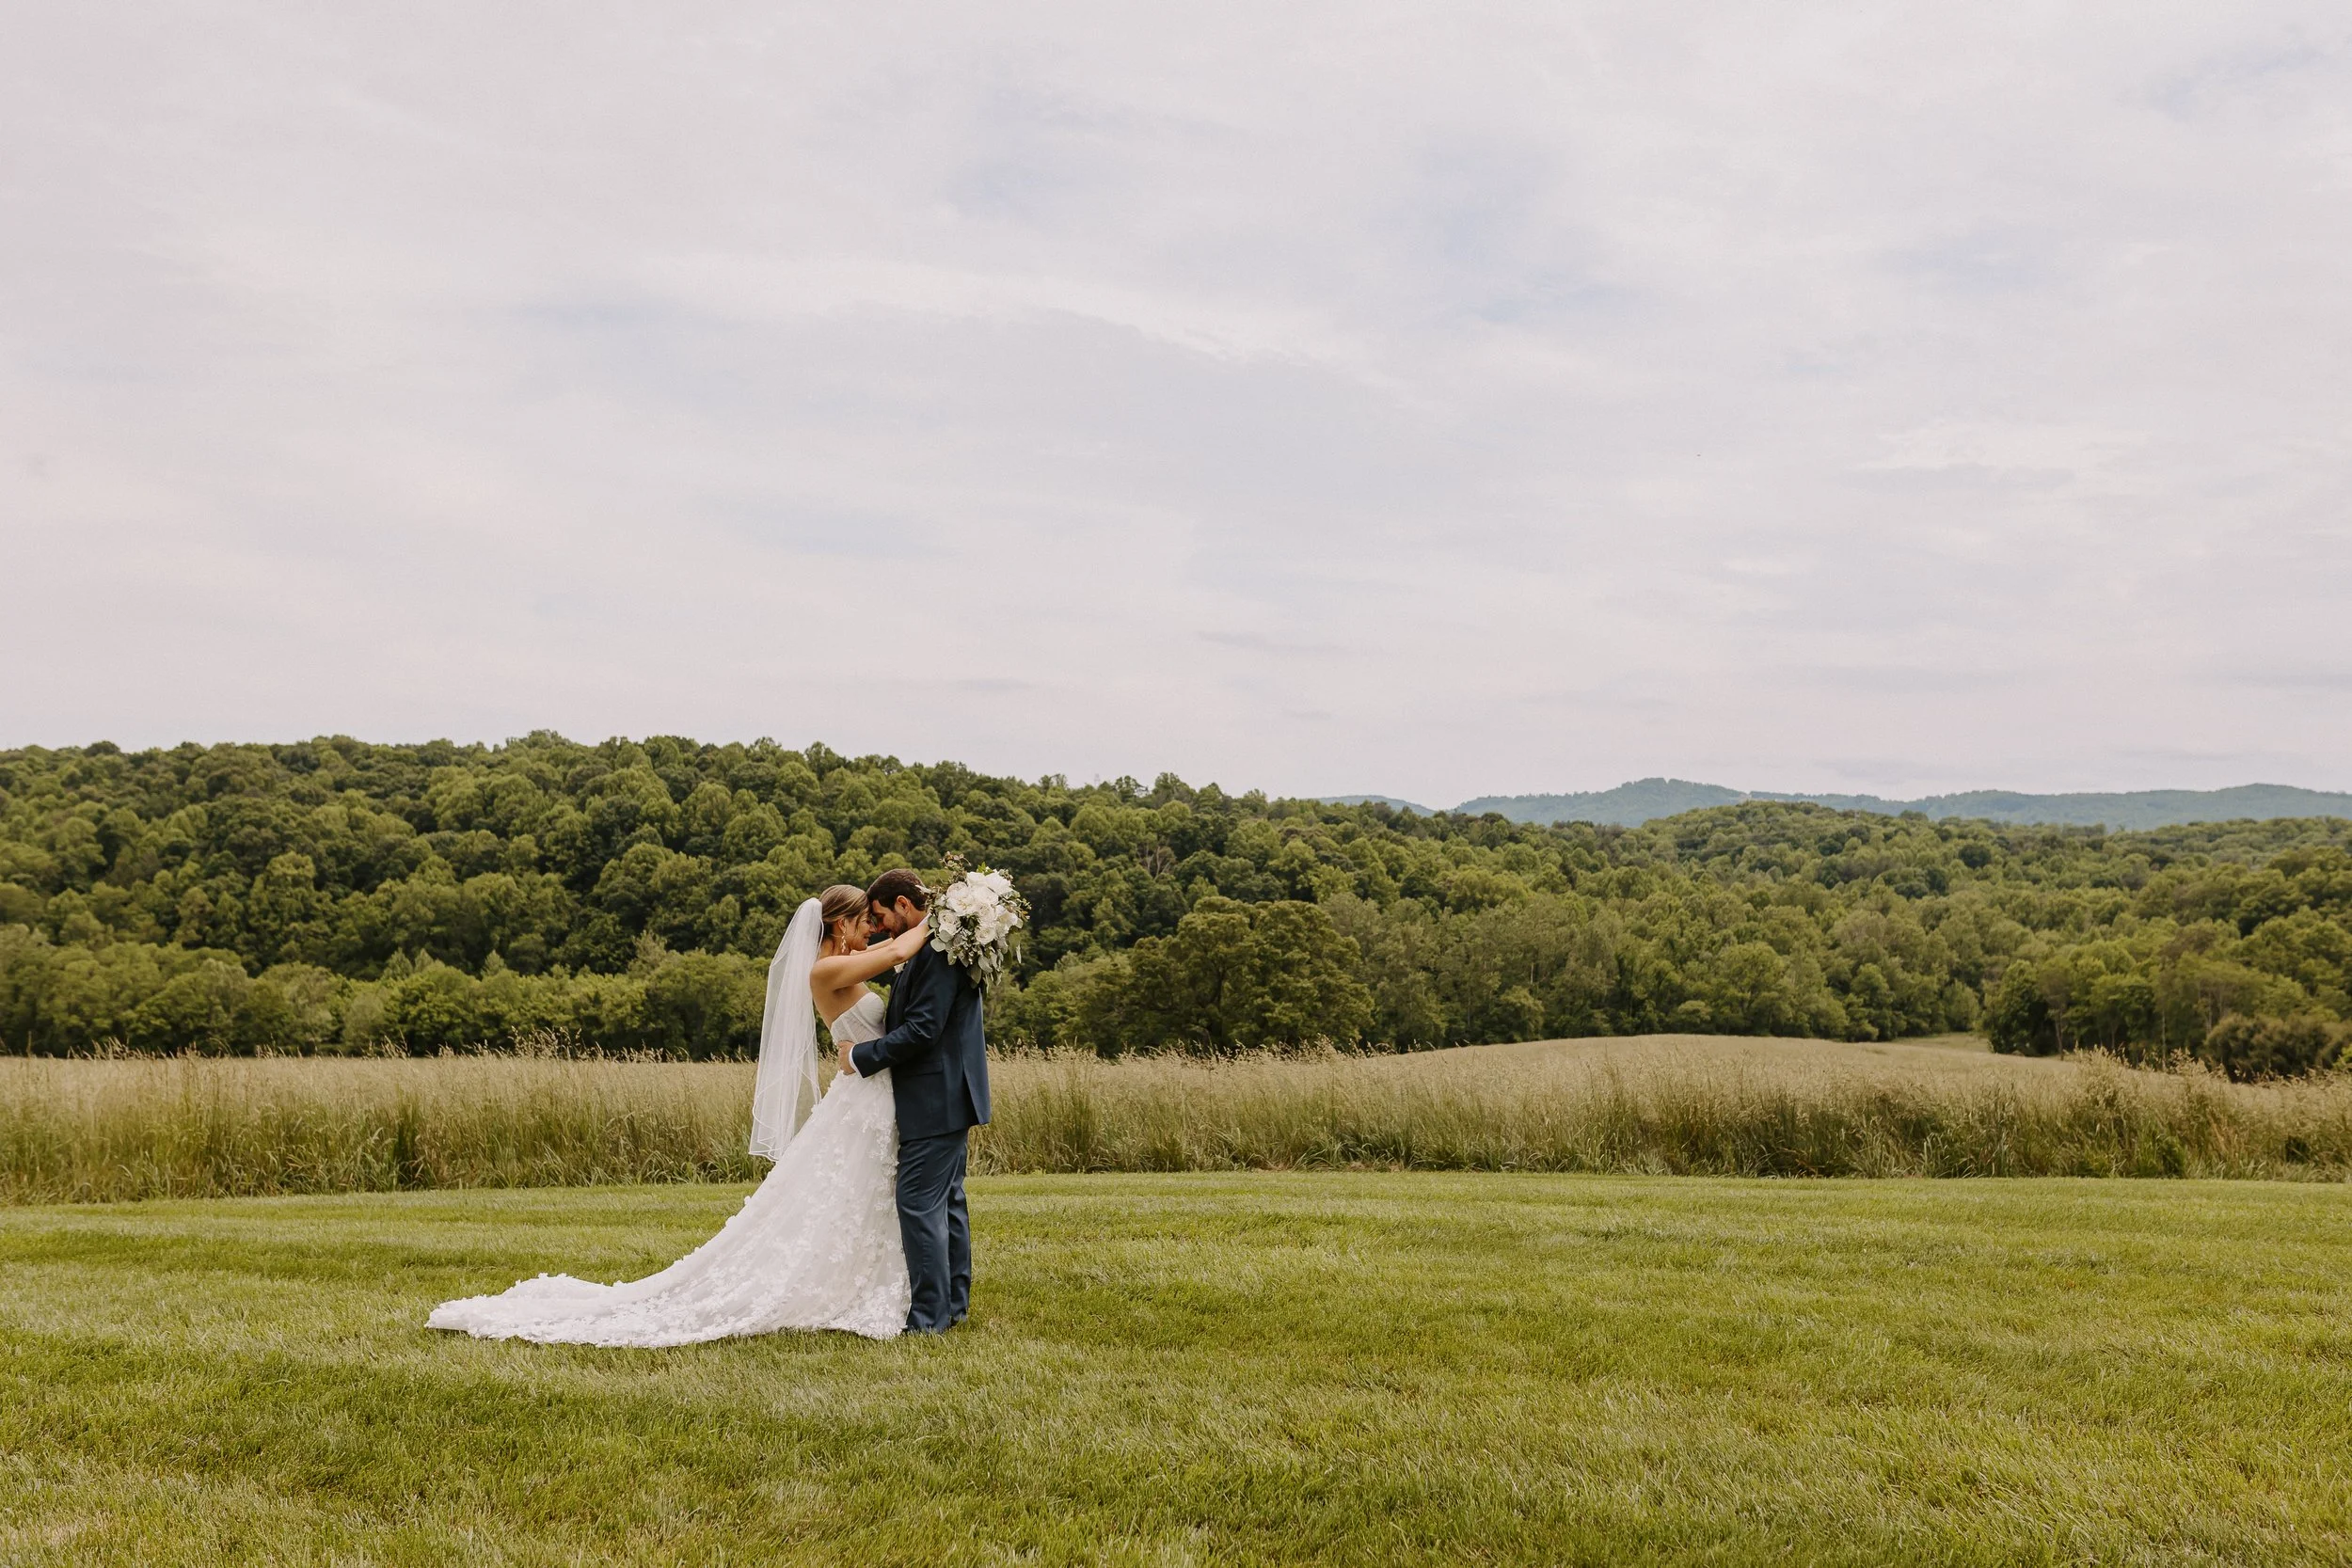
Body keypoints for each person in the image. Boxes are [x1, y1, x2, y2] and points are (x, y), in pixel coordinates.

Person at [426, 883, 930, 1345]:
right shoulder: (824, 970)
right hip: (860, 1096)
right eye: (866, 920)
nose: (874, 929)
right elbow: (901, 949)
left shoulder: (846, 962)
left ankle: (868, 1277)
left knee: (857, 1195)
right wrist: (951, 915)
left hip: (866, 1094)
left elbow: (892, 953)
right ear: (841, 924)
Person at [838, 868, 991, 1334]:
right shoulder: (932, 945)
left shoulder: (939, 953)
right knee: (946, 1202)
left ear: (904, 904)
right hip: (946, 1092)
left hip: (936, 1094)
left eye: (883, 915)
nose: (880, 926)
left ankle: (929, 1320)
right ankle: (952, 1306)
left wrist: (859, 1057)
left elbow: (923, 1030)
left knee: (918, 1202)